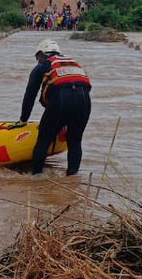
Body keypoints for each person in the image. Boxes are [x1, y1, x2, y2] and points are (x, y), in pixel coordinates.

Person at [17, 38, 91, 176]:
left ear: (40, 55)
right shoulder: (74, 63)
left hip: (60, 102)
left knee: (43, 141)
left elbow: (30, 95)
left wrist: (23, 120)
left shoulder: (42, 66)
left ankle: (36, 178)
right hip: (84, 102)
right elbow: (84, 87)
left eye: (37, 57)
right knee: (75, 142)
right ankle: (72, 178)